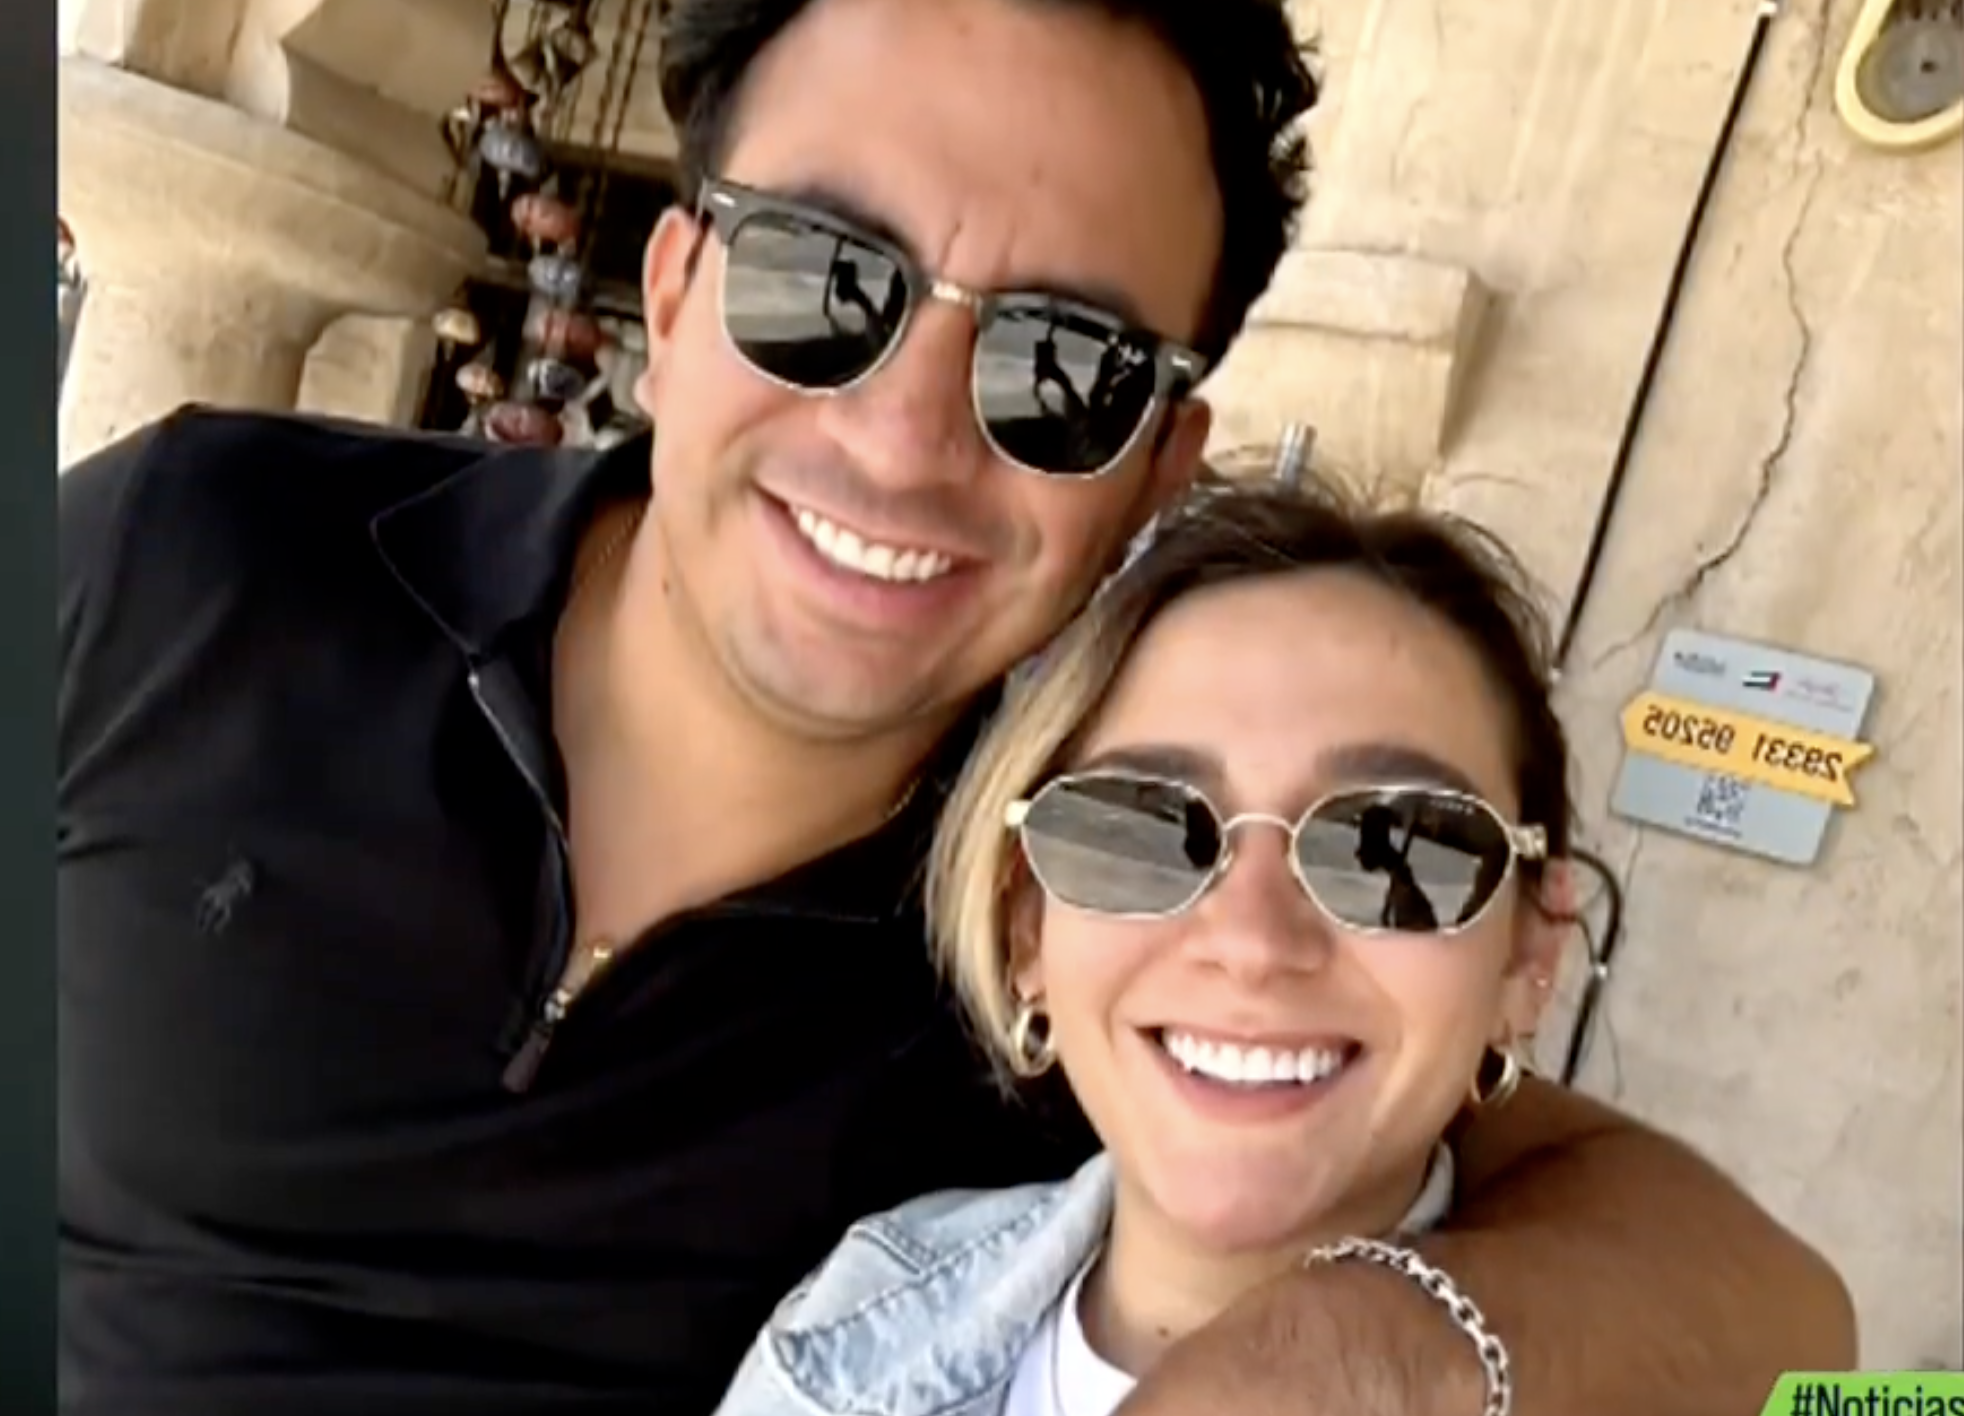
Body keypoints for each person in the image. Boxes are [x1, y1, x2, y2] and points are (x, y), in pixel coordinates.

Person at [55, 0, 1855, 1412]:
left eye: (1061, 364)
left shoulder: (1105, 914)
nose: (904, 438)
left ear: (1157, 464)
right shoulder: (191, 560)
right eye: (818, 279)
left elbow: (1804, 1333)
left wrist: (1372, 1353)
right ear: (673, 291)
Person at [711, 475, 1609, 1416]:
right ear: (1028, 928)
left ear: (1529, 954)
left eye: (1395, 846)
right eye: (1141, 831)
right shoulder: (862, 1312)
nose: (1252, 943)